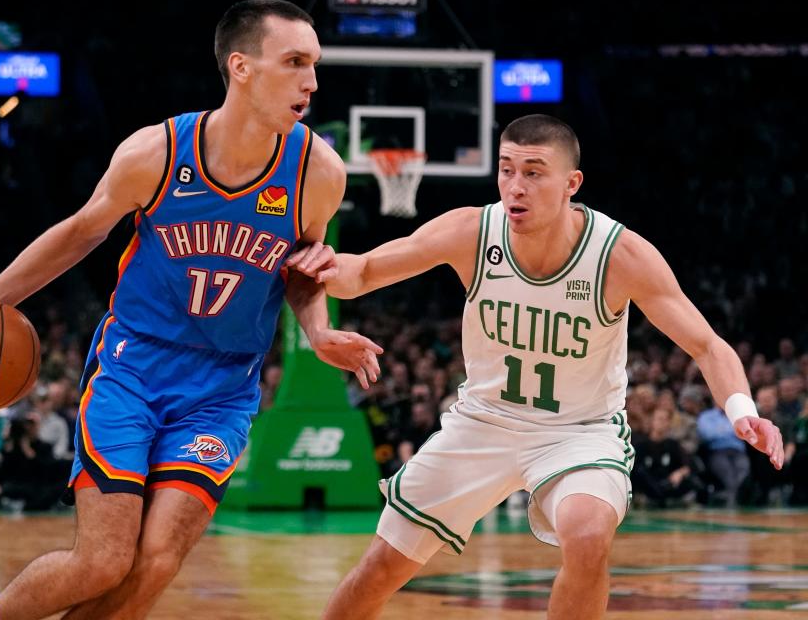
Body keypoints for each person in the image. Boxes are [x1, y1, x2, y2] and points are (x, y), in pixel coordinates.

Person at [0, 0, 381, 620]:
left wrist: (321, 331)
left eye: (315, 64)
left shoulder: (317, 172)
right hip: (132, 368)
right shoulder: (158, 152)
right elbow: (79, 232)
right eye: (296, 62)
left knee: (158, 560)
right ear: (241, 66)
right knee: (103, 561)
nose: (312, 81)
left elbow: (303, 272)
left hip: (223, 387)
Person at [289, 114, 785, 620]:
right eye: (506, 169)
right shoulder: (472, 231)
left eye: (533, 172)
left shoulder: (620, 255)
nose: (514, 186)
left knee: (589, 535)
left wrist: (742, 409)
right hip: (482, 423)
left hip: (579, 431)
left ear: (572, 183)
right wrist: (321, 264)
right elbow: (366, 271)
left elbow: (707, 345)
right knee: (381, 567)